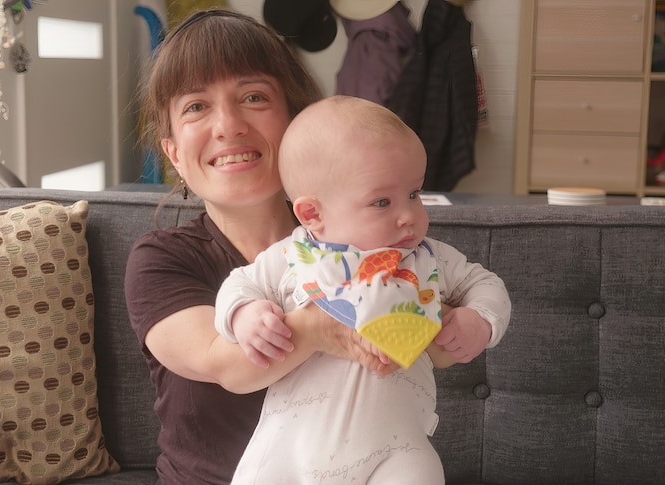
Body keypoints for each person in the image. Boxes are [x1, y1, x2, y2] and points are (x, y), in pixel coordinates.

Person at [125, 9, 498, 484]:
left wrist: (452, 326)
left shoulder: (383, 236)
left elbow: (441, 346)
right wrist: (330, 322)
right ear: (174, 153)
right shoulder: (162, 260)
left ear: (296, 123)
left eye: (254, 96)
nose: (228, 125)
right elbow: (229, 364)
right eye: (196, 106)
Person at [214, 95, 511, 484]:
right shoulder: (291, 259)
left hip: (394, 451)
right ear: (312, 214)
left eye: (414, 194)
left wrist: (480, 320)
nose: (408, 215)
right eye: (382, 202)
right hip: (288, 449)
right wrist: (244, 315)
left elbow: (486, 283)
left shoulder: (427, 260)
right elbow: (238, 285)